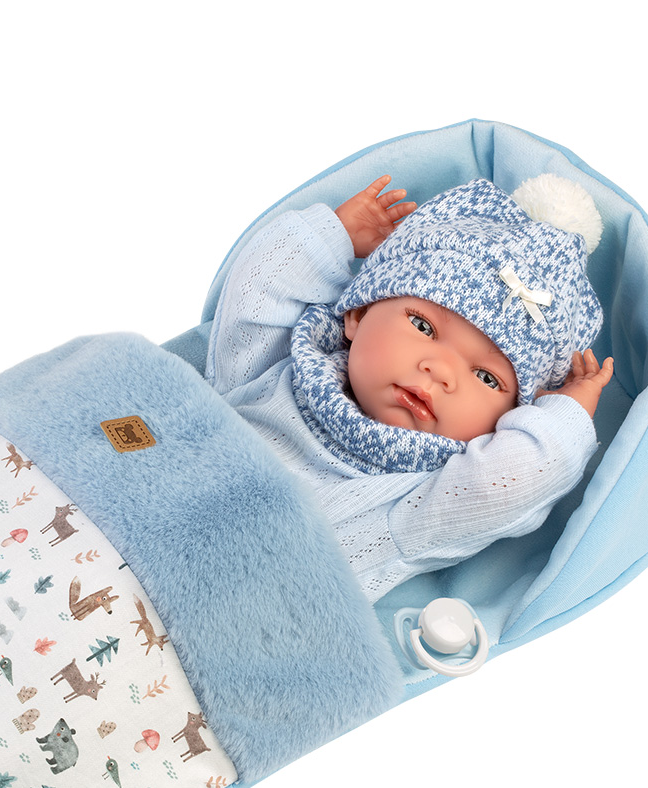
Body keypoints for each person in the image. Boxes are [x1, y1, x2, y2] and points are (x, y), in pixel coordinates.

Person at [205, 173, 614, 598]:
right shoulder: (273, 372)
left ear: (511, 417)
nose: (440, 372)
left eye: (486, 377)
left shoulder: (422, 499)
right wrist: (331, 237)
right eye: (423, 326)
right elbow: (258, 293)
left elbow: (517, 482)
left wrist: (565, 416)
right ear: (359, 313)